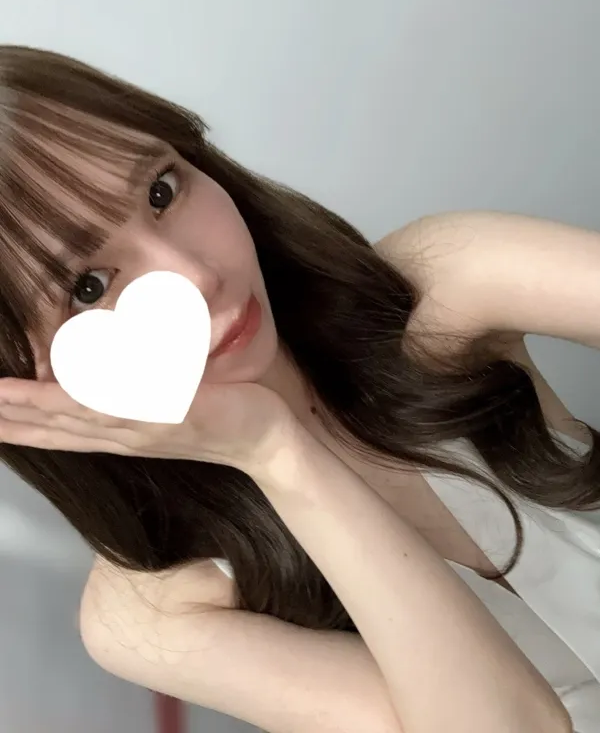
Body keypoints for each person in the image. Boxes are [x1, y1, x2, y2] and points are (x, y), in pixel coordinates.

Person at [0, 44, 597, 733]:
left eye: (162, 191)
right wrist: (276, 452)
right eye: (87, 287)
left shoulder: (441, 287)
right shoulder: (151, 611)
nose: (194, 275)